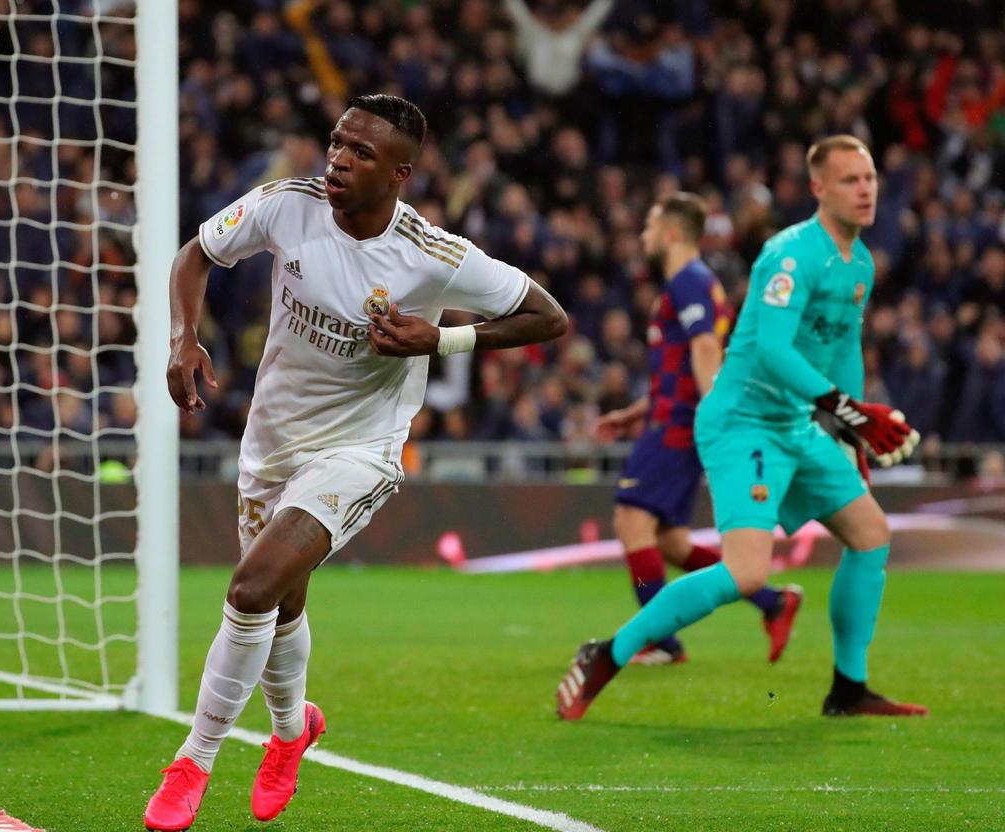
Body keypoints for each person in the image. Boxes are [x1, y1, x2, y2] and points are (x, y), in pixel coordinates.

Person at [144, 94, 568, 831]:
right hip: (272, 442)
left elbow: (548, 316)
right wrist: (183, 337)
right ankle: (291, 731)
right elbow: (197, 255)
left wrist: (441, 341)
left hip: (361, 449)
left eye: (361, 153)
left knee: (251, 590)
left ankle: (193, 760)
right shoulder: (286, 205)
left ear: (400, 172)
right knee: (282, 602)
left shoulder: (433, 255)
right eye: (338, 143)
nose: (338, 159)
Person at [555, 135, 925, 721]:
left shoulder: (859, 264)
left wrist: (850, 430)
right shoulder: (789, 254)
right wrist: (846, 408)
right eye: (851, 179)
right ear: (818, 188)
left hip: (797, 423)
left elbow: (843, 345)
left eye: (871, 178)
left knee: (871, 534)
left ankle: (848, 689)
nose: (865, 189)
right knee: (747, 569)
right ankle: (607, 654)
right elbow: (774, 351)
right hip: (742, 423)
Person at [589, 193, 802, 668]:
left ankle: (660, 640)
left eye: (648, 226)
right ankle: (772, 603)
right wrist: (636, 411)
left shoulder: (688, 281)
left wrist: (714, 415)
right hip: (670, 418)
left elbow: (706, 349)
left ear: (669, 233)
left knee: (631, 521)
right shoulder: (695, 285)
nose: (643, 236)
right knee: (670, 541)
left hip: (678, 428)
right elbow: (684, 365)